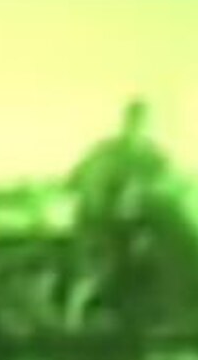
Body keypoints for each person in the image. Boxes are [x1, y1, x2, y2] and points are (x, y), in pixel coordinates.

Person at [65, 97, 177, 323]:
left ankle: (115, 316)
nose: (139, 127)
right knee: (97, 272)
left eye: (142, 122)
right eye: (137, 121)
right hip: (102, 223)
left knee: (132, 269)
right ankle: (74, 319)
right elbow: (77, 181)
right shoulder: (110, 153)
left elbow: (167, 181)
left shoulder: (149, 154)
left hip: (129, 225)